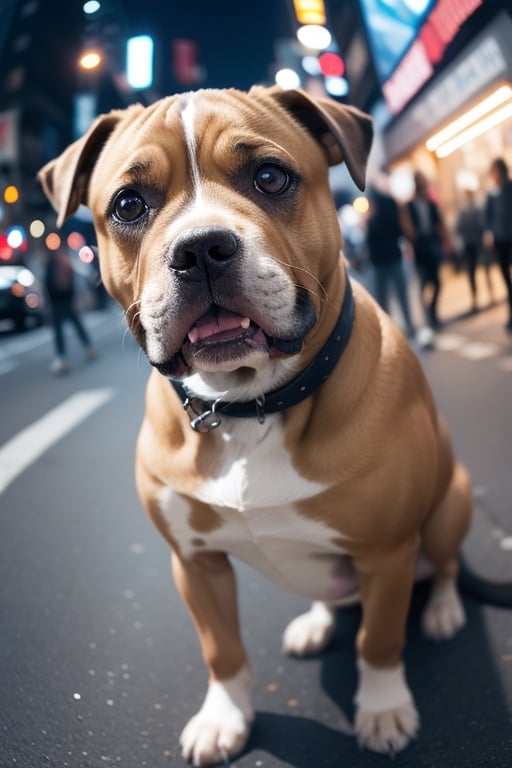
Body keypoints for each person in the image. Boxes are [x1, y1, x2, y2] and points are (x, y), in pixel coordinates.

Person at [402, 171, 451, 329]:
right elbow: (408, 229)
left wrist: (446, 241)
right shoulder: (409, 205)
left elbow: (439, 223)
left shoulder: (431, 203)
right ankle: (428, 318)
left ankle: (433, 313)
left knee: (436, 282)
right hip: (420, 248)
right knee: (424, 284)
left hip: (432, 244)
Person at [366, 182, 416, 338]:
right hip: (394, 256)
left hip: (379, 261)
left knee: (382, 299)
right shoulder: (392, 204)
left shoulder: (373, 213)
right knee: (402, 295)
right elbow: (400, 229)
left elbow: (370, 238)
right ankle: (410, 326)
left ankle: (389, 332)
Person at [44, 245, 97, 374]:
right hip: (65, 299)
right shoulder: (65, 261)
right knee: (75, 324)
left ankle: (62, 357)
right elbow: (72, 282)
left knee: (60, 330)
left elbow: (48, 283)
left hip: (57, 301)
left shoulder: (52, 263)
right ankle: (88, 347)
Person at [483, 157, 512, 332]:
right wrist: (488, 233)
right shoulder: (492, 194)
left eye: (494, 171)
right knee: (507, 282)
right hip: (501, 242)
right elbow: (487, 218)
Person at [455, 189, 486, 312]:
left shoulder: (475, 210)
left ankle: (488, 293)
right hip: (471, 244)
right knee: (473, 272)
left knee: (484, 269)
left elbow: (482, 225)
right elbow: (459, 228)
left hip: (476, 243)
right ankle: (476, 298)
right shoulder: (464, 211)